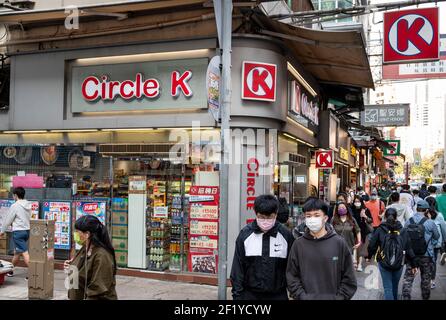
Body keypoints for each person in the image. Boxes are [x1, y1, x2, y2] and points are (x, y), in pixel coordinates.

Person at [286, 198, 357, 300]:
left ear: (325, 218)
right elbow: (292, 276)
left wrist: (339, 297)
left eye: (316, 215)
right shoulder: (298, 244)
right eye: (308, 216)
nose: (312, 219)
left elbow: (349, 277)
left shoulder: (339, 243)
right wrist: (302, 296)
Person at [230, 195, 294, 300]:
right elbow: (237, 269)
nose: (265, 221)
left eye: (270, 217)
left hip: (278, 295)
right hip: (250, 295)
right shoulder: (245, 235)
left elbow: (292, 268)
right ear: (255, 213)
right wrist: (237, 296)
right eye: (261, 217)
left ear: (276, 214)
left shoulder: (286, 236)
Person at [367, 208, 416, 300]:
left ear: (385, 217)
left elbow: (372, 245)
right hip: (399, 263)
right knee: (395, 286)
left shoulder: (380, 229)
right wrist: (413, 264)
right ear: (396, 217)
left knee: (387, 288)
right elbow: (409, 248)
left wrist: (369, 256)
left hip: (383, 262)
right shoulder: (403, 230)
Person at [66, 215, 117, 300]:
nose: (74, 233)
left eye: (77, 231)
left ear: (87, 234)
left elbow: (98, 289)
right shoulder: (85, 248)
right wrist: (71, 265)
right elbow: (81, 272)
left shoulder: (102, 256)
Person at [402, 200, 440, 300]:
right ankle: (425, 297)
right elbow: (437, 236)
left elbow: (404, 237)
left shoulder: (408, 221)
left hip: (411, 256)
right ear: (427, 210)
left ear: (417, 208)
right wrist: (431, 245)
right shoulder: (430, 222)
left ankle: (406, 297)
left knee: (408, 279)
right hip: (426, 255)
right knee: (426, 279)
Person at [0, 187, 31, 277]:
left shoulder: (15, 205)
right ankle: (10, 271)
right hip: (26, 231)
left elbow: (8, 220)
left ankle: (34, 274)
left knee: (25, 252)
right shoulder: (28, 204)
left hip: (18, 232)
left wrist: (2, 231)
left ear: (16, 195)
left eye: (13, 195)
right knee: (17, 252)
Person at [331, 202, 361, 270]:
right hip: (336, 248)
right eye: (339, 208)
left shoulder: (352, 219)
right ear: (337, 210)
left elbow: (358, 231)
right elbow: (329, 231)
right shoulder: (333, 220)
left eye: (343, 208)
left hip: (349, 247)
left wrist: (359, 242)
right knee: (337, 267)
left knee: (348, 267)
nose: (341, 209)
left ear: (347, 209)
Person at [425, 197, 446, 289]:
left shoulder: (423, 214)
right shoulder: (439, 215)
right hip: (436, 243)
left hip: (425, 242)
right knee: (433, 261)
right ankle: (432, 281)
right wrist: (444, 242)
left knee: (425, 261)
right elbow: (444, 230)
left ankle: (426, 279)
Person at [351, 195, 373, 272]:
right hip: (353, 231)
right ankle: (355, 262)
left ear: (361, 202)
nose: (357, 203)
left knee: (361, 248)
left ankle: (359, 264)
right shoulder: (351, 210)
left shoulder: (365, 210)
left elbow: (371, 220)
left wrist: (365, 216)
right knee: (355, 247)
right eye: (355, 201)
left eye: (358, 201)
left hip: (363, 231)